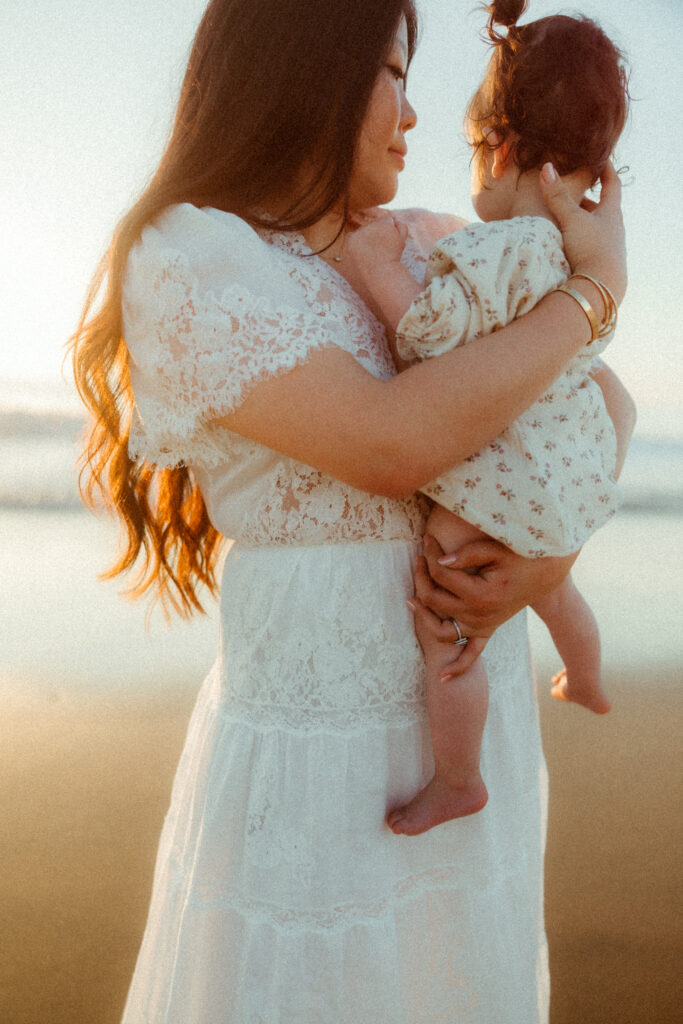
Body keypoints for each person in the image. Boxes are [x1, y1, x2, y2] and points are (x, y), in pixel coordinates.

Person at [69, 1, 632, 1020]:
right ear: (299, 71)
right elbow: (390, 444)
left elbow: (596, 406)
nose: (413, 116)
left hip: (469, 725)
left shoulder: (425, 243)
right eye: (388, 74)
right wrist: (595, 289)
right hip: (319, 756)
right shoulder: (194, 252)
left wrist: (546, 560)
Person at [343, 0, 631, 836]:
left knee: (447, 631)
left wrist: (376, 271)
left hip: (496, 489)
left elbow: (431, 333)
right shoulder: (577, 257)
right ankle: (584, 675)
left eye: (474, 149)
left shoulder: (494, 248)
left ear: (500, 150)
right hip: (565, 483)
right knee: (555, 584)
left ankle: (456, 779)